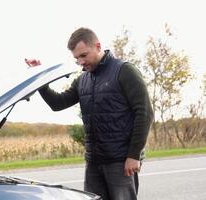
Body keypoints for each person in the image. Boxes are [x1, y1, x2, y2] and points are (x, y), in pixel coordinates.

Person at [25, 27, 153, 200]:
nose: (81, 62)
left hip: (120, 161)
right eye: (77, 58)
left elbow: (144, 113)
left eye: (83, 55)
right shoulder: (83, 79)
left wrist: (134, 155)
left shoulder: (124, 71)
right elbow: (58, 103)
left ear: (98, 46)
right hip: (94, 162)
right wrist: (40, 77)